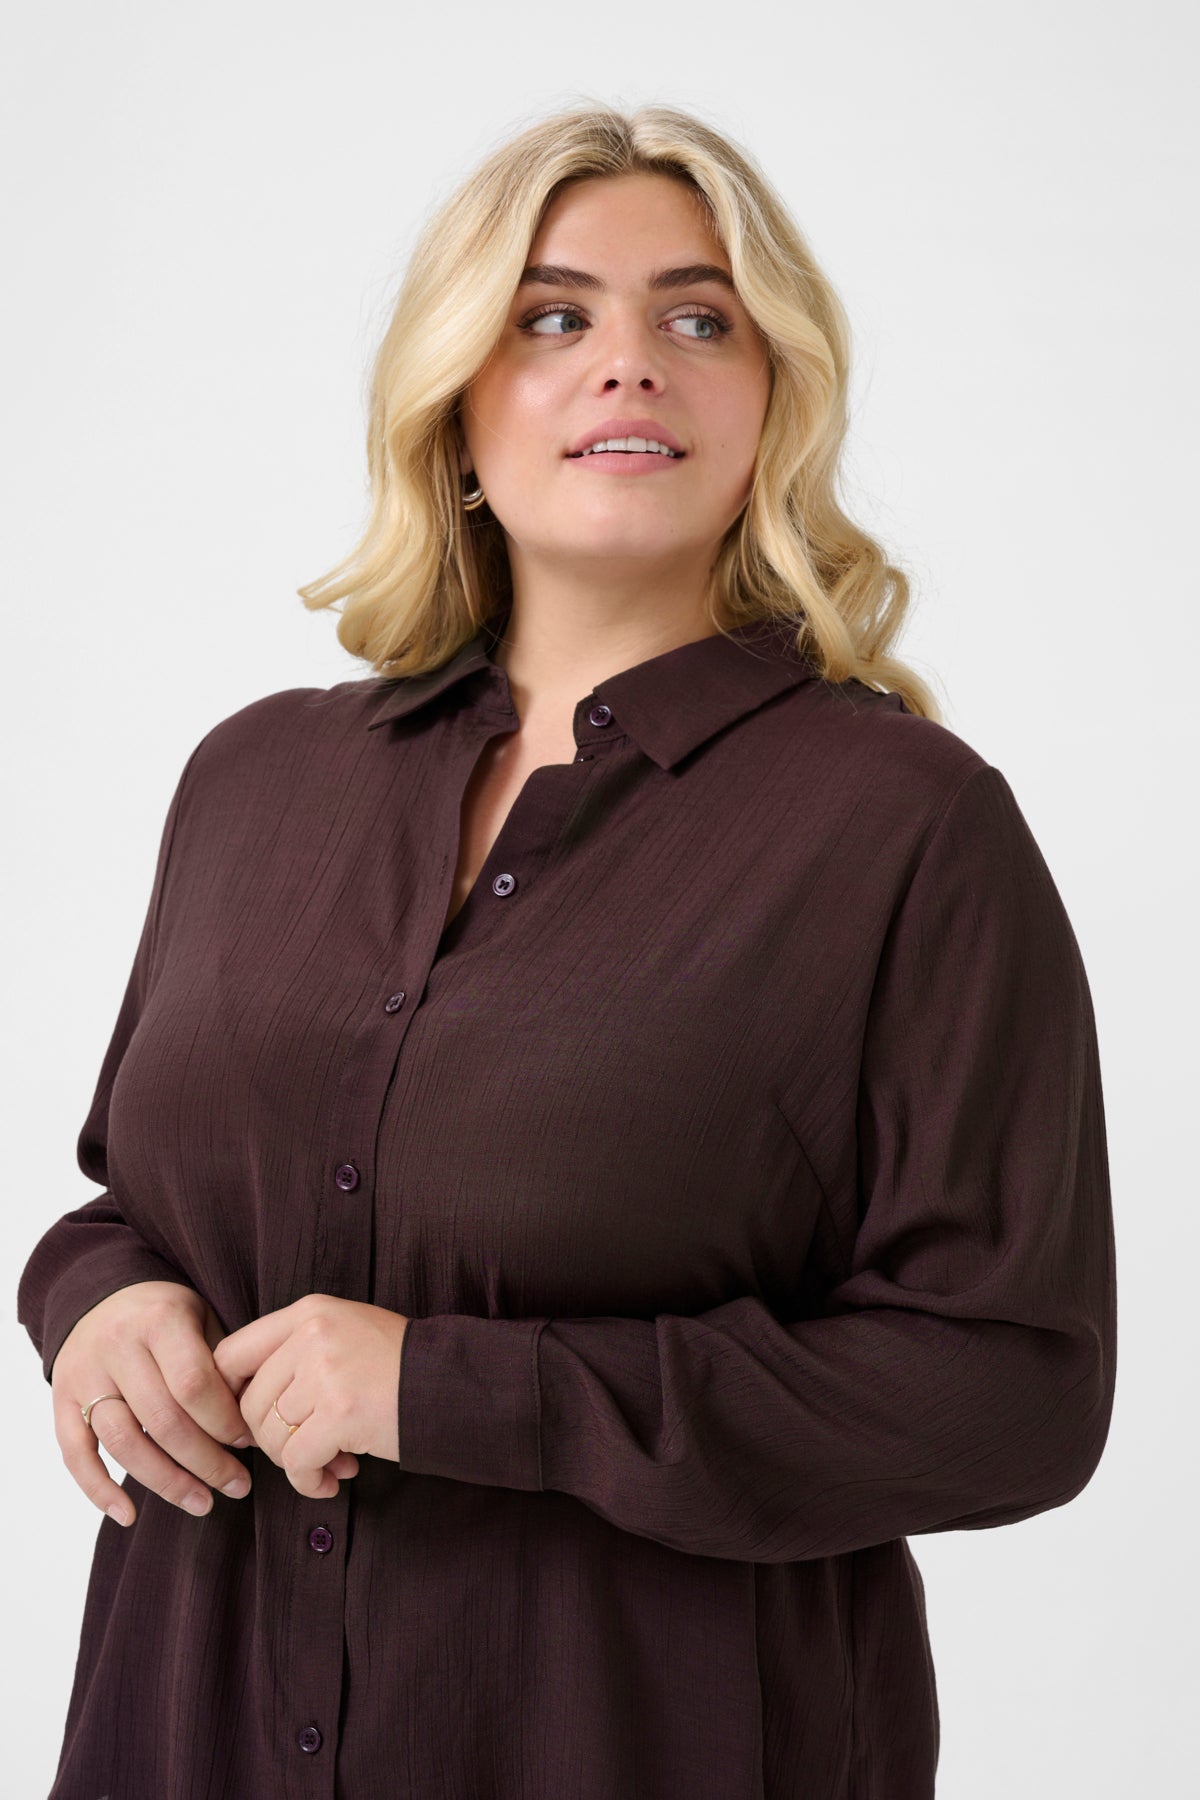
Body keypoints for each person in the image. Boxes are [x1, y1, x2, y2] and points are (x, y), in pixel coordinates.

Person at [17, 102, 1117, 1799]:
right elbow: (139, 1201)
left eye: (700, 318)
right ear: (455, 404)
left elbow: (1010, 1392)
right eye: (551, 316)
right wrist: (94, 1303)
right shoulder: (255, 779)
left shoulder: (907, 828)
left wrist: (461, 1392)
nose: (629, 362)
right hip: (186, 1735)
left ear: (774, 402)